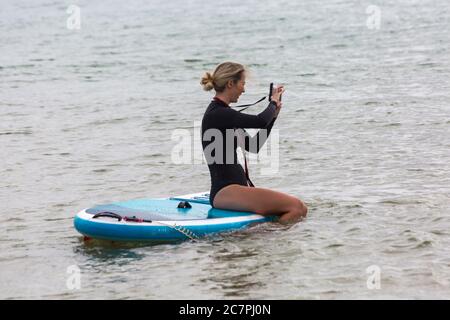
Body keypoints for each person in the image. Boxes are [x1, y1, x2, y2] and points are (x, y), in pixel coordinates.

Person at [200, 62, 307, 224]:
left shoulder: (224, 115)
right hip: (226, 191)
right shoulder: (218, 114)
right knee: (297, 207)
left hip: (234, 190)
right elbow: (260, 120)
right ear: (231, 84)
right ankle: (267, 238)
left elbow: (253, 145)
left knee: (296, 208)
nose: (244, 89)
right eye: (242, 84)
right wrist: (272, 102)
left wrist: (274, 115)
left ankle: (260, 238)